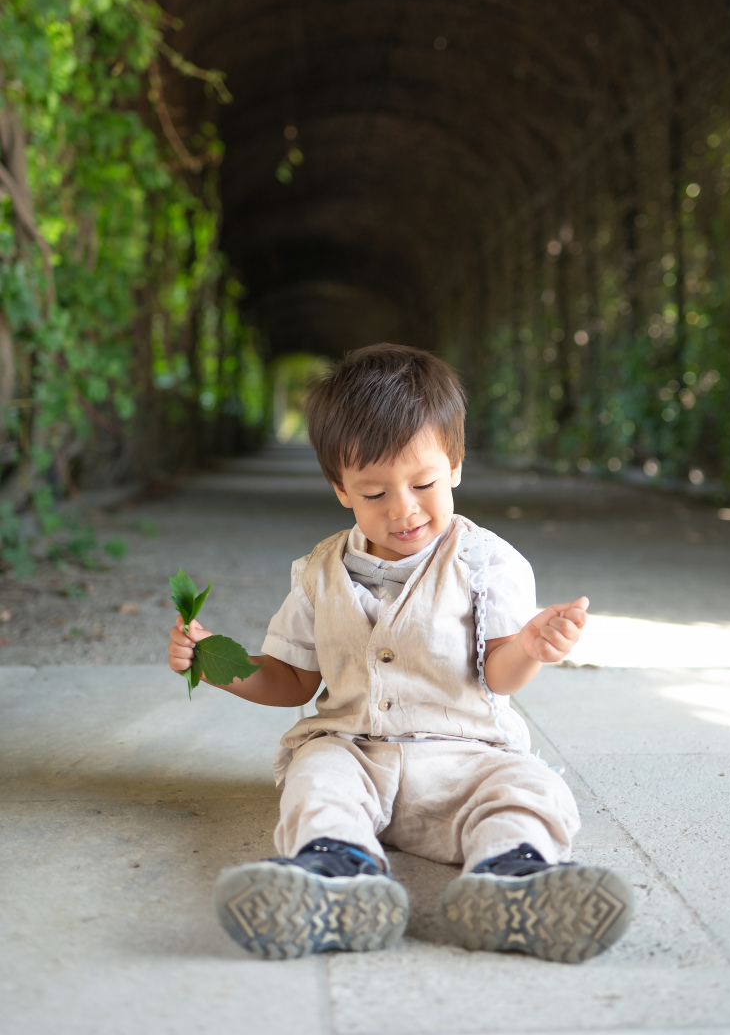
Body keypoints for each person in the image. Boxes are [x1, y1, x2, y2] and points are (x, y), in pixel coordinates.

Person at [168, 343, 632, 963]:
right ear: (341, 489)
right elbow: (293, 678)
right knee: (316, 778)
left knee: (527, 786)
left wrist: (528, 646)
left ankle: (514, 879)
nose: (403, 508)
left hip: (466, 757)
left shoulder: (487, 563)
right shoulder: (317, 572)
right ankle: (337, 871)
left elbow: (498, 673)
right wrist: (218, 665)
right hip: (355, 750)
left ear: (456, 465)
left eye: (422, 483)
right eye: (374, 492)